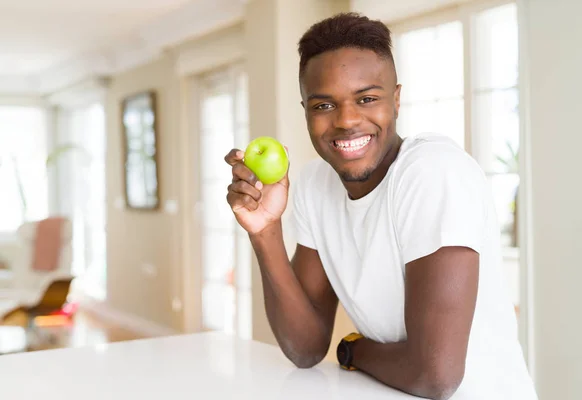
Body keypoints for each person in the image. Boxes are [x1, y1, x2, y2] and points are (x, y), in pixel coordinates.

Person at [224, 12, 538, 400]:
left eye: (367, 98)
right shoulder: (312, 186)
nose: (347, 120)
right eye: (324, 106)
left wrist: (353, 350)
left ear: (397, 100)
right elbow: (304, 348)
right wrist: (265, 231)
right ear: (305, 109)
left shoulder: (432, 172)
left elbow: (435, 376)